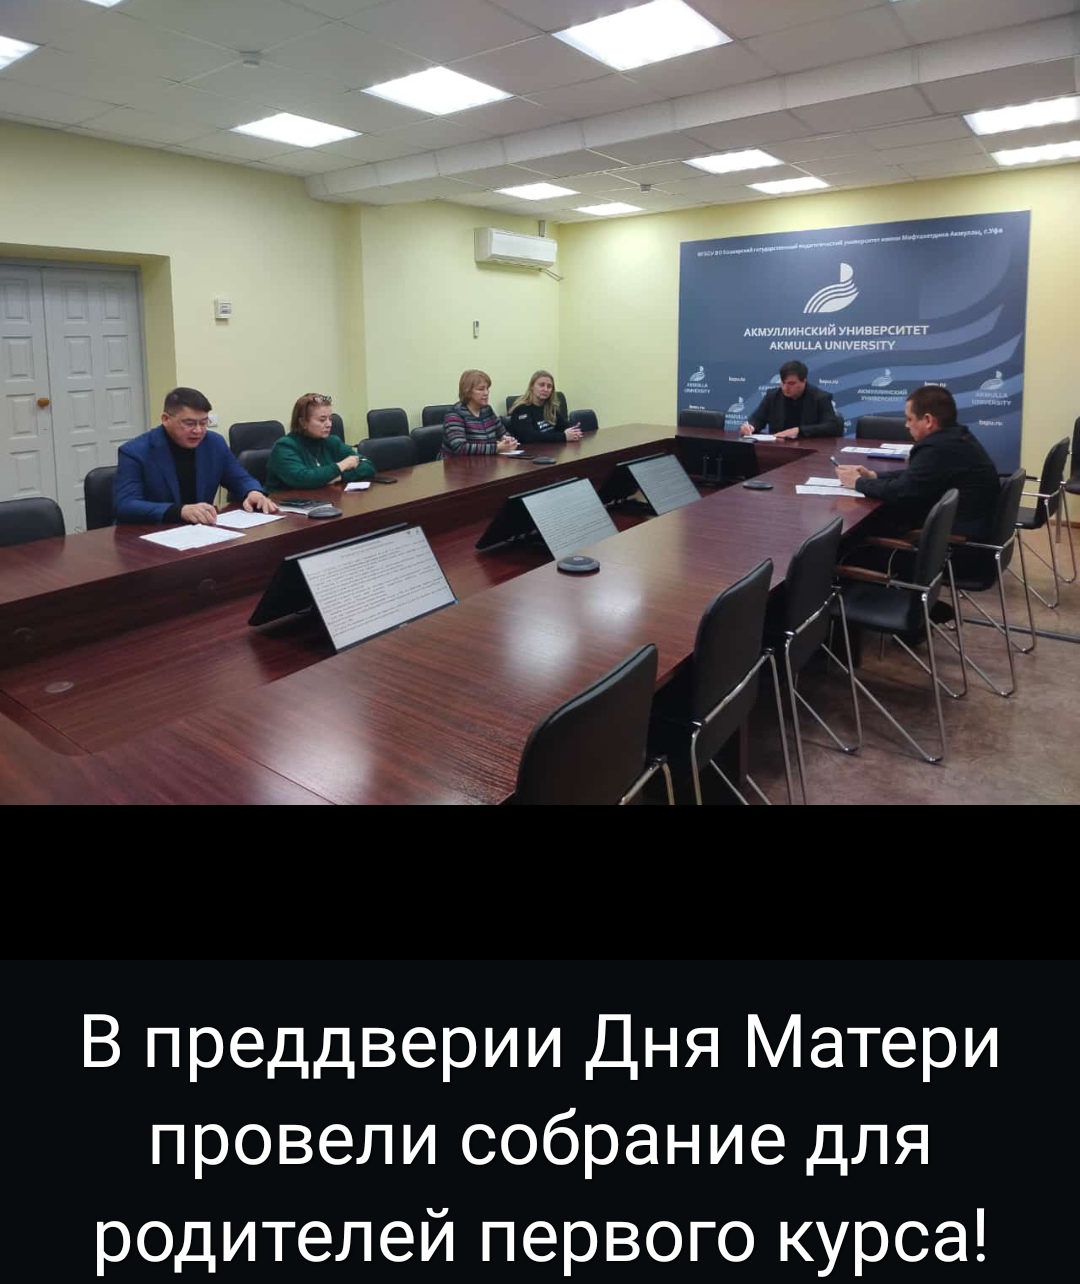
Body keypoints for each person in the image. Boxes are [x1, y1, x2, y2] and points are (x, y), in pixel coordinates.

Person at [836, 385, 1000, 539]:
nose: (906, 425)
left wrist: (858, 483)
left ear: (928, 420)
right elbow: (915, 476)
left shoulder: (937, 448)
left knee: (857, 526)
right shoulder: (956, 437)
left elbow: (901, 493)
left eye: (909, 419)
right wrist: (873, 475)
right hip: (967, 525)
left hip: (950, 538)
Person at [115, 387, 278, 524]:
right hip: (151, 533)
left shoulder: (214, 443)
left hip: (201, 531)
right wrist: (180, 511)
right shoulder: (135, 451)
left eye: (204, 422)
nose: (198, 430)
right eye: (189, 423)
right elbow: (126, 505)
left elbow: (240, 478)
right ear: (165, 419)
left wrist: (252, 492)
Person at [266, 393, 376, 490]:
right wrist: (341, 466)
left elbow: (367, 466)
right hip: (287, 504)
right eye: (322, 420)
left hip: (324, 499)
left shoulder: (332, 441)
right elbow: (302, 479)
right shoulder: (285, 447)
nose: (329, 424)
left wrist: (340, 477)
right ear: (303, 422)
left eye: (330, 419)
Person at [739, 360, 843, 439]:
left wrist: (799, 431)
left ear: (804, 381)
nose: (785, 388)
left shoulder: (820, 397)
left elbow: (832, 426)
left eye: (791, 384)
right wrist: (751, 427)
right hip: (778, 448)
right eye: (783, 383)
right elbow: (757, 418)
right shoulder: (773, 396)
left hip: (810, 449)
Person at [438, 370, 519, 458]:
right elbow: (460, 447)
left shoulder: (487, 409)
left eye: (487, 389)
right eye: (481, 389)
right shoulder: (455, 414)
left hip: (483, 461)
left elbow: (503, 433)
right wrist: (497, 448)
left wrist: (507, 440)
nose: (486, 393)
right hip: (454, 463)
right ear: (467, 392)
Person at [504, 371, 583, 445]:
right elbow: (529, 437)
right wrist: (563, 436)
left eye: (549, 386)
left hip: (551, 450)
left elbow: (563, 425)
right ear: (532, 386)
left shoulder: (550, 407)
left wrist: (574, 429)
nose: (545, 389)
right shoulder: (521, 409)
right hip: (531, 452)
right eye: (541, 385)